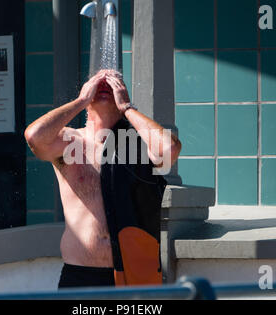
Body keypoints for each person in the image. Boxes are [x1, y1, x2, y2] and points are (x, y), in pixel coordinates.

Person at [25, 69, 182, 288]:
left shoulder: (136, 144)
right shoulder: (70, 141)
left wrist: (127, 108)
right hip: (80, 275)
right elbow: (35, 137)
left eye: (114, 83)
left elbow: (169, 149)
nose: (105, 85)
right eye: (98, 84)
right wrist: (80, 101)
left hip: (132, 276)